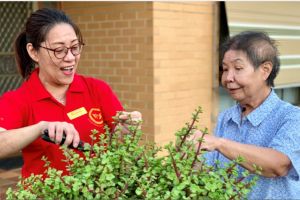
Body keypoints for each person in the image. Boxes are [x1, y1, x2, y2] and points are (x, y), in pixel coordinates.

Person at [0, 8, 141, 178]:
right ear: (33, 52)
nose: (70, 57)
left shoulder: (97, 89)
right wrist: (40, 128)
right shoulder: (18, 100)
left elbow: (117, 145)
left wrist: (127, 130)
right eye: (59, 50)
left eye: (75, 47)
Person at [194, 31, 300, 199]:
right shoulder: (226, 117)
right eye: (225, 69)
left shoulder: (292, 117)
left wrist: (220, 143)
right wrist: (192, 154)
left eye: (238, 68)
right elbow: (208, 171)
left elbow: (278, 165)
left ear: (265, 70)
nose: (228, 78)